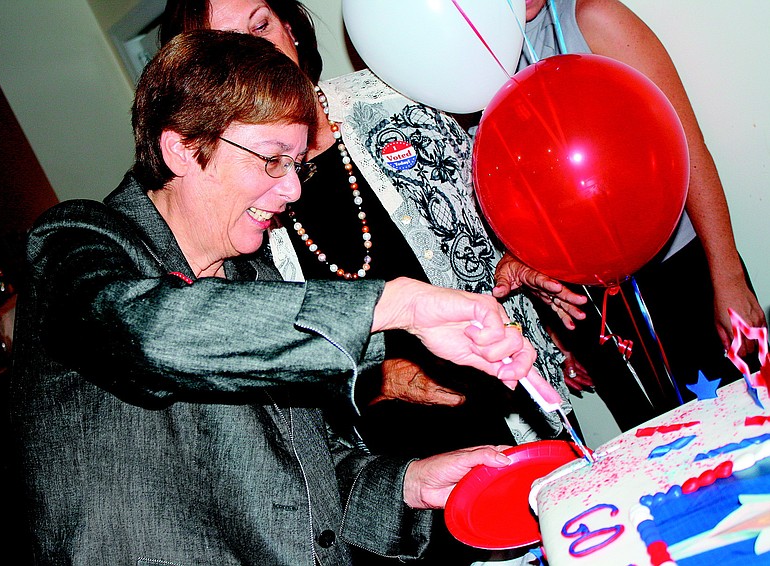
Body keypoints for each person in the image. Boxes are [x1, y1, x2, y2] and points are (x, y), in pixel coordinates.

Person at [9, 30, 540, 565]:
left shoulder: (257, 281)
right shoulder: (75, 240)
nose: (293, 190)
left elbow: (305, 471)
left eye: (296, 164)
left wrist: (408, 486)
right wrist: (394, 304)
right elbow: (154, 334)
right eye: (270, 160)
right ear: (183, 149)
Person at [159, 3, 589, 562]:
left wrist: (519, 259)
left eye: (260, 25)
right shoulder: (232, 208)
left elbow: (490, 204)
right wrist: (376, 379)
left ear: (291, 27)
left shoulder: (398, 99)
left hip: (511, 407)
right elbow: (264, 366)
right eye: (224, 44)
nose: (254, 52)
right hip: (397, 482)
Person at [514, 0, 767, 430]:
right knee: (656, 457)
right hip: (588, 307)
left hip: (678, 275)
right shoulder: (478, 61)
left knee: (746, 434)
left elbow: (687, 147)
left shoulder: (592, 17)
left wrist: (727, 278)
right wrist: (556, 334)